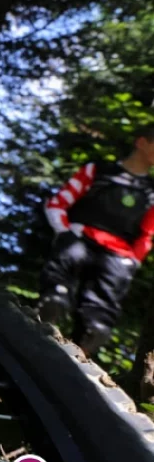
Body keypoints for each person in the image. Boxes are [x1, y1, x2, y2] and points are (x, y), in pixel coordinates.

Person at [38, 125, 154, 355]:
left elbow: (148, 234)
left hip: (119, 254)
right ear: (141, 142)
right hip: (80, 237)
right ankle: (49, 307)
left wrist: (133, 260)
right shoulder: (97, 171)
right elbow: (58, 203)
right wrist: (65, 232)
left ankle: (83, 347)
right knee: (65, 269)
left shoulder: (151, 192)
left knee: (99, 320)